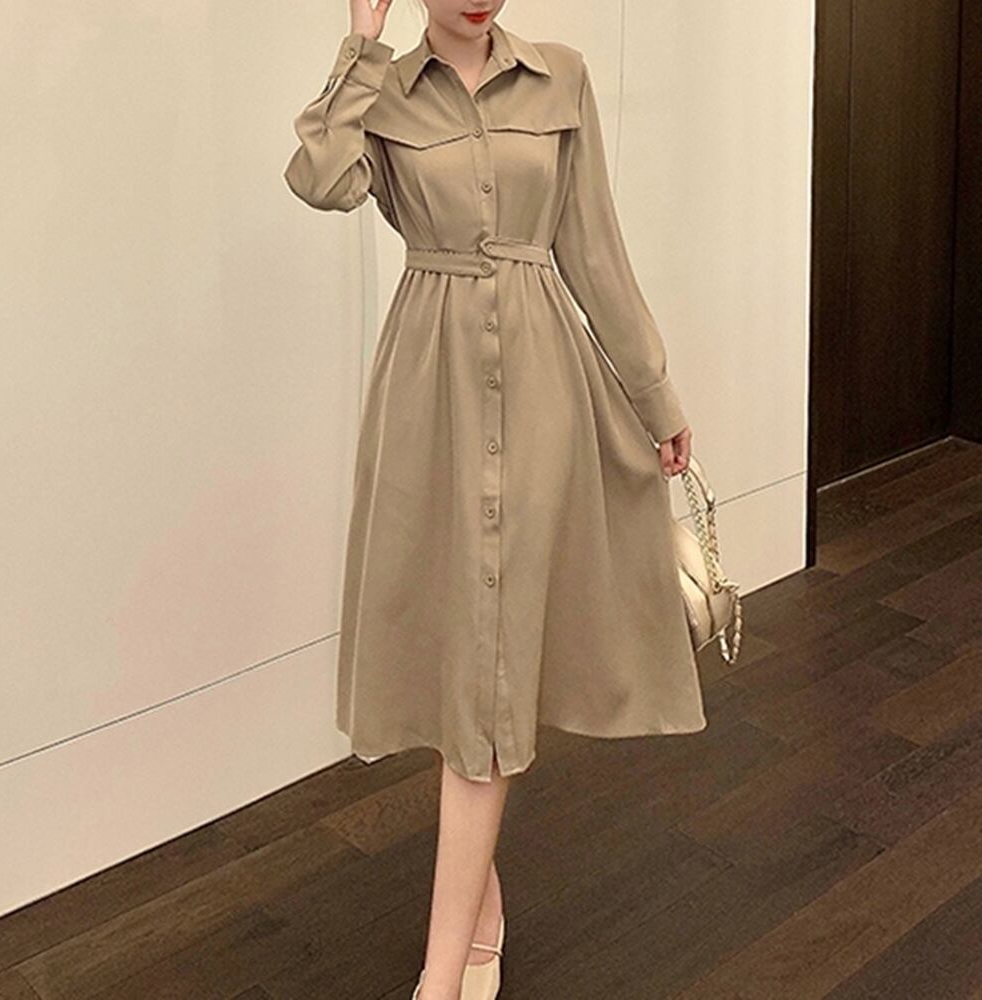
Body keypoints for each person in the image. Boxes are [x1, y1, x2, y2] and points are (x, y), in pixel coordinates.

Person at [283, 1, 707, 997]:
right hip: (427, 397)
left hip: (543, 387)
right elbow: (320, 178)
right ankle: (479, 912)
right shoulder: (384, 91)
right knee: (459, 656)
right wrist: (360, 45)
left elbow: (593, 249)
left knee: (496, 660)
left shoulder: (561, 77)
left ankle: (439, 978)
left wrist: (654, 392)